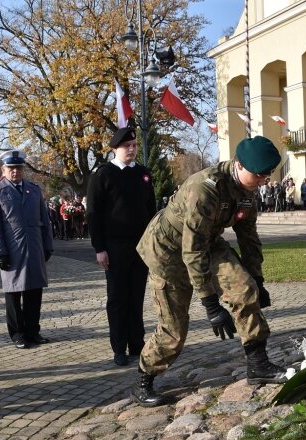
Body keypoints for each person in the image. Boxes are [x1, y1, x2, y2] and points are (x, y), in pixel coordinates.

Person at [131, 135, 286, 406]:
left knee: (245, 290)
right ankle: (144, 378)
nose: (264, 181)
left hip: (207, 241)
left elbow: (249, 239)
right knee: (174, 330)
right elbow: (192, 249)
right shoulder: (205, 188)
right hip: (167, 251)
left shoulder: (248, 195)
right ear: (239, 165)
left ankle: (258, 364)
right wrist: (211, 305)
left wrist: (258, 280)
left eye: (268, 175)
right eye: (260, 175)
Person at [87, 127, 156, 366]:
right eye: (127, 146)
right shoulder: (103, 174)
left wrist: (153, 244)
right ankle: (119, 347)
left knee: (136, 297)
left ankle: (137, 343)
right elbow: (93, 213)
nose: (132, 149)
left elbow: (151, 212)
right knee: (117, 298)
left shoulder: (144, 174)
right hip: (114, 247)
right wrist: (99, 248)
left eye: (135, 145)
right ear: (115, 148)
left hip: (140, 247)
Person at [0, 149, 54, 350]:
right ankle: (17, 334)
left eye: (18, 168)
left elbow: (45, 221)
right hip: (12, 250)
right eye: (11, 168)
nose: (15, 172)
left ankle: (33, 331)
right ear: (3, 170)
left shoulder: (34, 190)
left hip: (34, 248)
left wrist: (47, 245)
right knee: (13, 295)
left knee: (34, 292)